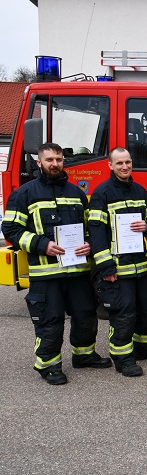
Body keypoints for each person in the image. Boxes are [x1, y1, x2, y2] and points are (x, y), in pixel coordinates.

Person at [2, 142, 110, 385]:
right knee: (50, 321)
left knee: (85, 315)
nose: (55, 164)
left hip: (77, 271)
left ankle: (84, 355)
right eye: (49, 160)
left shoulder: (76, 193)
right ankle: (48, 365)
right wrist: (43, 245)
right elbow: (11, 230)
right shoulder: (24, 194)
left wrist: (90, 243)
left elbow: (91, 227)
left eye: (59, 160)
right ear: (39, 162)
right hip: (46, 274)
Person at [89, 147, 147, 377]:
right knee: (123, 314)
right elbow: (96, 232)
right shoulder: (101, 193)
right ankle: (123, 358)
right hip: (117, 268)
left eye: (128, 162)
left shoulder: (140, 191)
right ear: (110, 165)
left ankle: (144, 347)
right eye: (119, 163)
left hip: (140, 267)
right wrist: (106, 267)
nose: (125, 167)